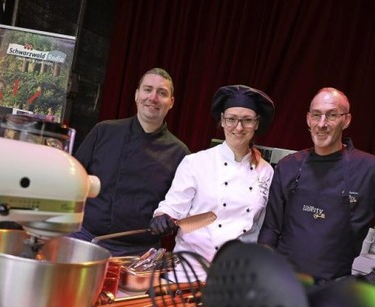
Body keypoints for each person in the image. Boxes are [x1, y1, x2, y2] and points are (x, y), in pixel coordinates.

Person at [258, 87, 375, 285]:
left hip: (333, 294)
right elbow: (271, 229)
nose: (322, 124)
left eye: (331, 115)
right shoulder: (288, 166)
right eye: (316, 115)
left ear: (346, 120)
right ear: (308, 119)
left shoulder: (373, 171)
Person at [149, 84, 275, 281]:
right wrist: (163, 217)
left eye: (247, 120)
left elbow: (260, 227)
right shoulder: (196, 162)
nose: (239, 127)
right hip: (189, 272)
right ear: (222, 121)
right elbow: (173, 206)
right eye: (232, 119)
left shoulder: (266, 171)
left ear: (257, 123)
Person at [71, 68, 190, 256]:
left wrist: (169, 219)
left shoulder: (180, 153)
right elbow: (73, 180)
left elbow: (180, 205)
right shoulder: (103, 131)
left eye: (162, 93)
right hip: (85, 239)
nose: (153, 97)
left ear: (171, 102)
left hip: (138, 253)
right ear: (137, 95)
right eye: (148, 89)